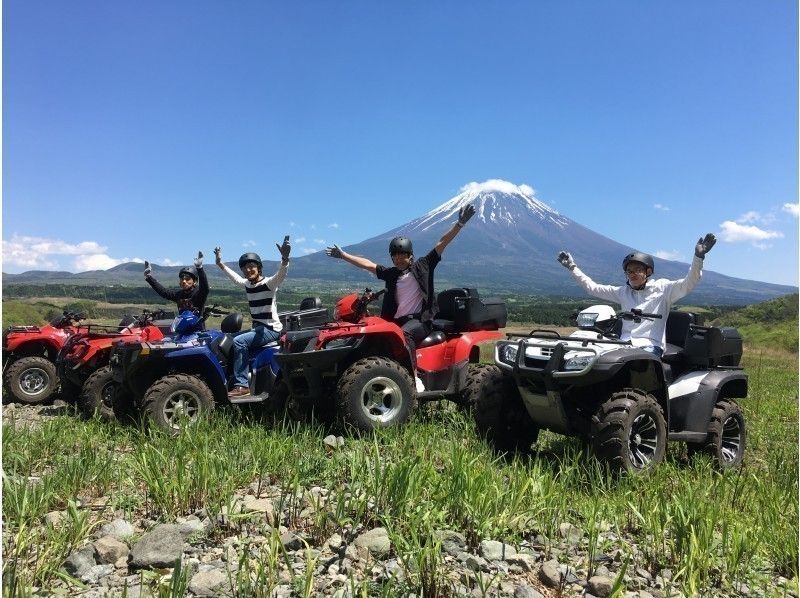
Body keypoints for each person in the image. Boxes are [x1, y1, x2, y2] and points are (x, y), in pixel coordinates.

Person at [325, 204, 476, 391]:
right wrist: (343, 255)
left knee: (405, 335)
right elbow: (368, 265)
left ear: (410, 256)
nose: (398, 259)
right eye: (395, 255)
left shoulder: (424, 265)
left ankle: (413, 378)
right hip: (396, 320)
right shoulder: (391, 274)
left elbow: (441, 243)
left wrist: (459, 224)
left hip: (420, 320)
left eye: (402, 255)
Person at [557, 233, 717, 357]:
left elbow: (689, 282)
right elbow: (593, 288)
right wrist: (572, 267)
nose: (632, 274)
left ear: (648, 272)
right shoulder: (623, 292)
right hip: (623, 343)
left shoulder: (663, 289)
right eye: (629, 271)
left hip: (650, 345)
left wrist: (698, 258)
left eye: (637, 270)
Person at [215, 237, 291, 397]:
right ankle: (228, 378)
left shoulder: (269, 284)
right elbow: (234, 278)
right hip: (258, 328)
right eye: (245, 268)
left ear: (259, 268)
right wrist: (220, 264)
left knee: (239, 341)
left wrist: (285, 259)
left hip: (271, 329)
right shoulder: (248, 285)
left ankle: (242, 385)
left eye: (251, 267)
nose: (248, 270)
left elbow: (281, 275)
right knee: (226, 339)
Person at [143, 251, 208, 314]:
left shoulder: (198, 294)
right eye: (182, 278)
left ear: (195, 281)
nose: (184, 281)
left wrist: (199, 268)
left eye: (187, 279)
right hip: (181, 324)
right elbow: (164, 292)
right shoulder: (179, 294)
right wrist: (148, 277)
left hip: (196, 325)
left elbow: (205, 288)